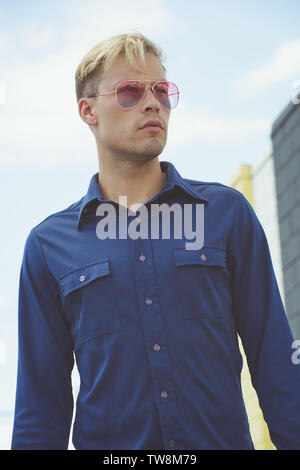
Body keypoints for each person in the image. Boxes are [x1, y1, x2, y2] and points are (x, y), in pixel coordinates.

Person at [11, 32, 300, 450]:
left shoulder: (226, 214)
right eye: (130, 91)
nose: (153, 102)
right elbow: (40, 408)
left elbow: (277, 362)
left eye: (162, 90)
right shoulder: (48, 246)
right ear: (87, 110)